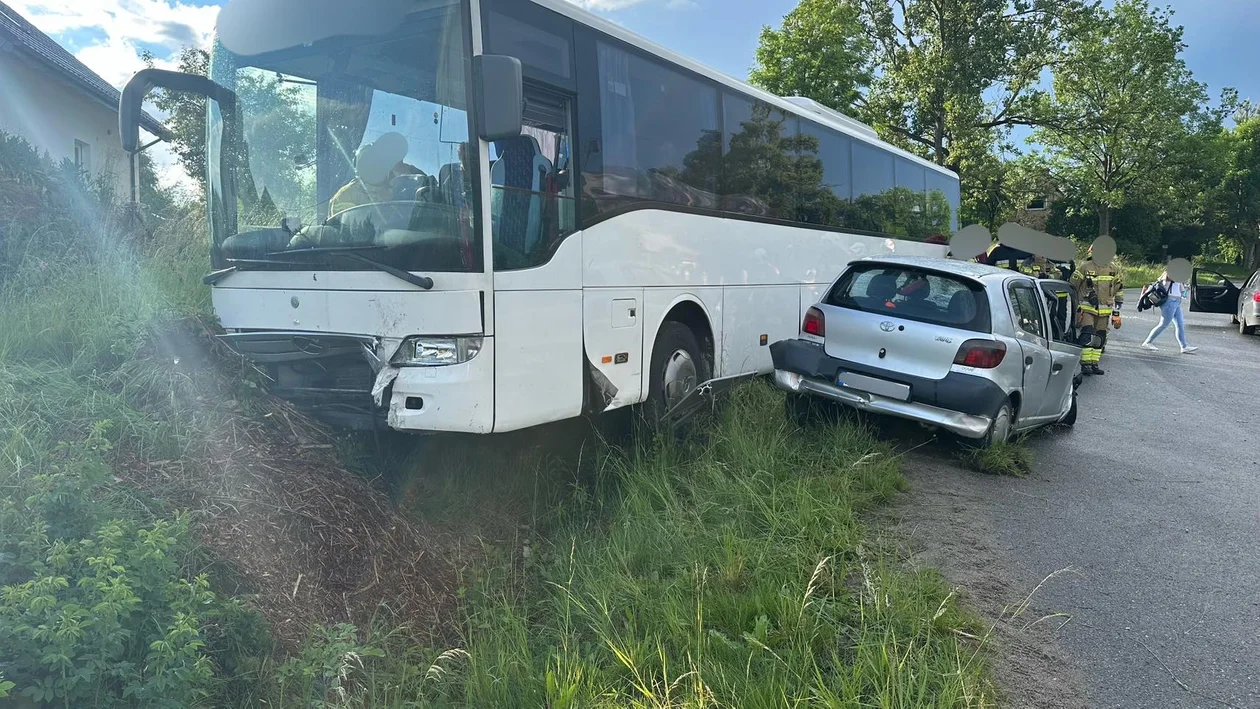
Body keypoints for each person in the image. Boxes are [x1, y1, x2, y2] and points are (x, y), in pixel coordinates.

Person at [1071, 246, 1124, 376]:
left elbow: (1119, 286)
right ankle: (1085, 364)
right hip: (1087, 307)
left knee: (1100, 336)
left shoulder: (1113, 268)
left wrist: (1119, 300)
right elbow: (1073, 284)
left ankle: (1094, 363)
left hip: (1105, 309)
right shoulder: (1085, 267)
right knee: (1087, 334)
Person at [1141, 272, 1198, 353]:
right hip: (1169, 301)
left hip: (1177, 301)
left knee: (1180, 324)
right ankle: (1147, 342)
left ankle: (1184, 346)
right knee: (1163, 324)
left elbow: (1181, 287)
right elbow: (1166, 280)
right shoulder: (1168, 273)